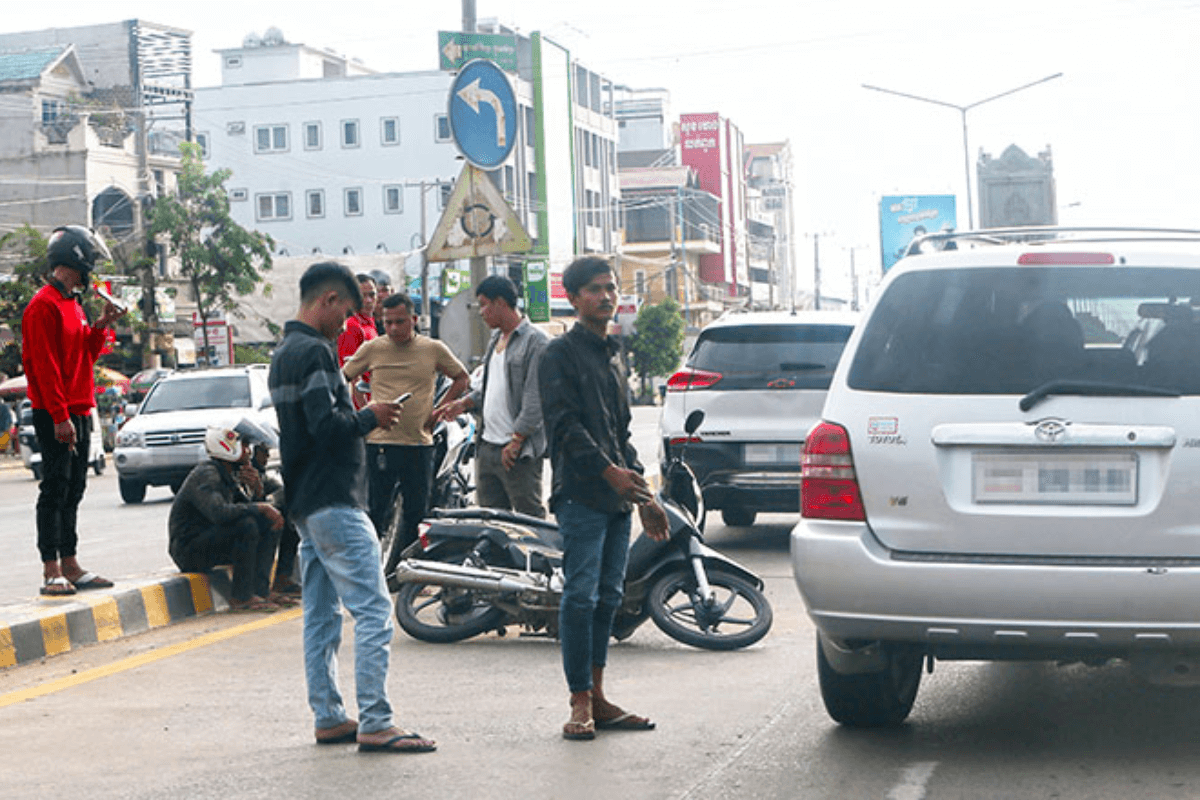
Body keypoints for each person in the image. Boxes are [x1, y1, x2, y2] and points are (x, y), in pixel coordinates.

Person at [269, 260, 435, 754]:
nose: (347, 325)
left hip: (305, 501)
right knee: (374, 610)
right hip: (334, 499)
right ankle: (377, 721)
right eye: (347, 312)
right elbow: (328, 425)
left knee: (321, 616)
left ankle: (329, 716)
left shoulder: (283, 353)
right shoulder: (316, 353)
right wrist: (371, 415)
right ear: (329, 301)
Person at [538, 255, 670, 742]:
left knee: (608, 598)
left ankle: (598, 696)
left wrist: (644, 495)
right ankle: (577, 701)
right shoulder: (558, 355)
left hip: (616, 499)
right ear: (573, 299)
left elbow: (621, 434)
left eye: (610, 288)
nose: (606, 296)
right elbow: (564, 427)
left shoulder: (613, 356)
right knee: (579, 596)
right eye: (594, 290)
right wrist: (606, 472)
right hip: (580, 495)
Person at [22, 225, 127, 597]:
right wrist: (59, 415)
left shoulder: (73, 305)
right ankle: (50, 568)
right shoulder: (42, 306)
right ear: (75, 259)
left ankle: (71, 563)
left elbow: (85, 354)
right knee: (54, 488)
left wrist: (102, 325)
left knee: (75, 488)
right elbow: (44, 366)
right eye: (89, 261)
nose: (92, 270)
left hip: (81, 407)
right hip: (57, 411)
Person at [343, 292, 469, 547]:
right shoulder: (373, 348)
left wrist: (440, 411)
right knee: (374, 513)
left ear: (413, 319)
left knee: (416, 514)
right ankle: (371, 572)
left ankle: (411, 574)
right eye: (387, 322)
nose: (393, 328)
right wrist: (361, 411)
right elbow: (341, 378)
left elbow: (462, 378)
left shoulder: (433, 349)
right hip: (379, 444)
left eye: (399, 322)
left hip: (419, 444)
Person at [433, 275, 549, 518]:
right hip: (487, 446)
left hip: (517, 451)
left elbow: (535, 398)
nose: (481, 313)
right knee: (490, 520)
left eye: (484, 305)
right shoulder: (496, 339)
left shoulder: (535, 342)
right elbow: (492, 386)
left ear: (500, 303)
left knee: (528, 519)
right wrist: (464, 403)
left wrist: (517, 440)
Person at [168, 420, 288, 612]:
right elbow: (219, 512)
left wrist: (257, 492)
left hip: (212, 540)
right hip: (188, 549)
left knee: (267, 522)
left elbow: (246, 507)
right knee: (247, 524)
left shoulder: (230, 472)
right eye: (244, 446)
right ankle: (241, 597)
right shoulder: (207, 473)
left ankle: (261, 590)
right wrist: (261, 507)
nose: (249, 451)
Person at [240, 439, 302, 600]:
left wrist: (264, 497)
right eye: (262, 451)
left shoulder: (259, 473)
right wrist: (263, 506)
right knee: (257, 524)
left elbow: (280, 492)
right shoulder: (234, 472)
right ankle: (254, 591)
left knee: (290, 516)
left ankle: (282, 578)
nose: (267, 455)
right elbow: (233, 507)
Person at [337, 273, 378, 408]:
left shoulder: (369, 322)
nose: (368, 300)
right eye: (362, 296)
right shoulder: (351, 326)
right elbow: (351, 375)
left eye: (372, 295)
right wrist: (365, 414)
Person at [369, 269, 392, 336]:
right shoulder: (362, 321)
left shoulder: (401, 317)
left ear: (392, 292)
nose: (380, 295)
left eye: (385, 290)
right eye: (376, 291)